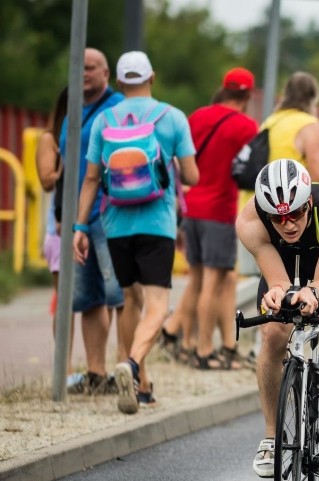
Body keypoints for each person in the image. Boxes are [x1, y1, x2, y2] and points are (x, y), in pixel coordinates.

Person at [73, 51, 199, 414]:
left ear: (119, 82)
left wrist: (81, 227)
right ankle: (130, 365)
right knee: (157, 305)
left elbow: (92, 179)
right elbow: (192, 177)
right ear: (152, 77)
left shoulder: (103, 120)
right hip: (157, 223)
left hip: (115, 224)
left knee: (131, 300)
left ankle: (142, 385)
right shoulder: (172, 117)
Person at [235, 158, 319, 476]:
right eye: (278, 218)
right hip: (283, 262)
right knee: (273, 334)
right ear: (266, 214)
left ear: (309, 203)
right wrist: (278, 295)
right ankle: (271, 436)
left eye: (296, 213)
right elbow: (278, 280)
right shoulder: (249, 222)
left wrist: (313, 294)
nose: (289, 224)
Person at [160, 68, 258, 369]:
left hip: (191, 208)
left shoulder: (197, 117)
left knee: (199, 278)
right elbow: (251, 168)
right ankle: (204, 351)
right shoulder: (246, 126)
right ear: (247, 95)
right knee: (213, 283)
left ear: (224, 88)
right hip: (219, 210)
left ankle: (179, 336)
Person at [59, 48, 127, 393]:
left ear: (106, 72)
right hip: (79, 219)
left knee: (120, 295)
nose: (83, 73)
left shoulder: (117, 108)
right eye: (78, 68)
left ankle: (125, 370)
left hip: (111, 214)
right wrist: (67, 216)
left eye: (90, 67)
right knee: (87, 298)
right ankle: (96, 373)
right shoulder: (71, 109)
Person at [35, 87, 67, 322]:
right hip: (59, 223)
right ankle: (61, 360)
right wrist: (65, 162)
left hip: (95, 219)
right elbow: (47, 181)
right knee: (64, 298)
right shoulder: (50, 138)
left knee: (99, 300)